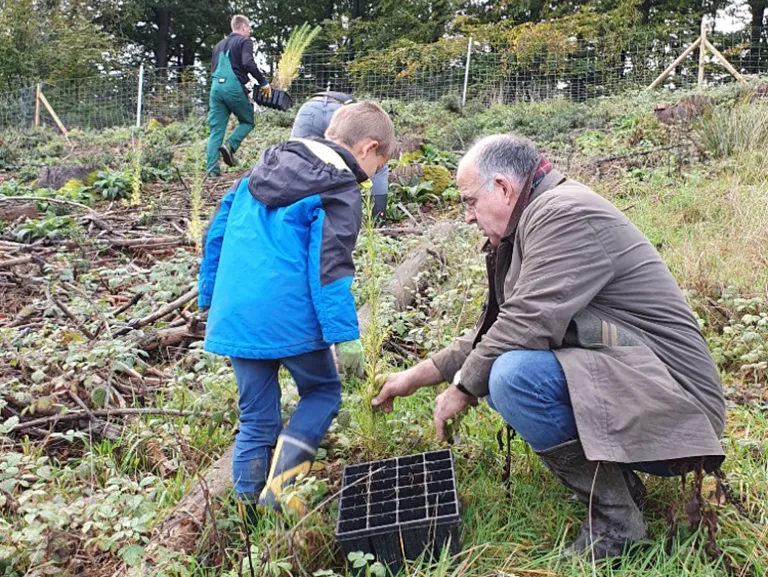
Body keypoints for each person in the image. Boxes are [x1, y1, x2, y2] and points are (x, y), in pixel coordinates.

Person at [372, 134, 726, 559]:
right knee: (504, 366)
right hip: (644, 386)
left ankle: (617, 524)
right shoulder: (537, 216)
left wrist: (463, 387)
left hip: (681, 411)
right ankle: (621, 486)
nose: (467, 217)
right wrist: (417, 376)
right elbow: (497, 328)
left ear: (502, 188)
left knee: (512, 377)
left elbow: (527, 323)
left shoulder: (564, 213)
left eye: (469, 201)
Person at [198, 102, 395, 514]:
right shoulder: (338, 189)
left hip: (237, 317)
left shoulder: (257, 171)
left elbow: (215, 236)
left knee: (256, 418)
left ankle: (246, 513)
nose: (377, 174)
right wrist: (347, 338)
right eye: (381, 163)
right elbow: (331, 270)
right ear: (368, 148)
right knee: (322, 392)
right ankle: (280, 492)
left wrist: (209, 299)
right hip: (292, 320)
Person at [291, 90, 390, 221]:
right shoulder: (355, 113)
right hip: (341, 109)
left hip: (309, 109)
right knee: (377, 158)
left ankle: (296, 214)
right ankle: (377, 218)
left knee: (297, 159)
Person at [205, 15, 271, 177]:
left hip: (216, 89)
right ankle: (231, 145)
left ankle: (211, 172)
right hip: (232, 87)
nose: (248, 32)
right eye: (248, 29)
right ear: (243, 28)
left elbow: (214, 69)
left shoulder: (218, 46)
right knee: (247, 121)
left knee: (216, 130)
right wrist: (263, 82)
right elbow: (247, 62)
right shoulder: (244, 41)